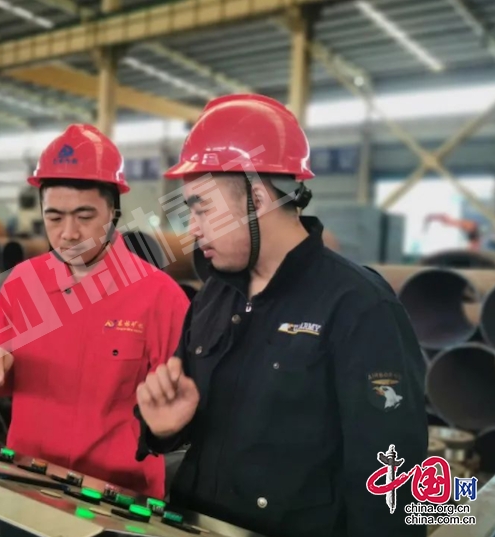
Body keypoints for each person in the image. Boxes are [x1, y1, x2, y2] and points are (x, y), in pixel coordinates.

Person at [133, 94, 428, 537]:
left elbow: (391, 486)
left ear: (257, 198)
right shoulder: (213, 297)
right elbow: (190, 420)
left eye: (201, 208)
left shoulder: (359, 307)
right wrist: (164, 430)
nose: (191, 228)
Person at [0, 124, 190, 499]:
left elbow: (183, 406)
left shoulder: (160, 297)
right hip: (27, 482)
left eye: (84, 217)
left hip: (118, 497)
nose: (69, 233)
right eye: (54, 217)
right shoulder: (24, 282)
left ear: (113, 211)